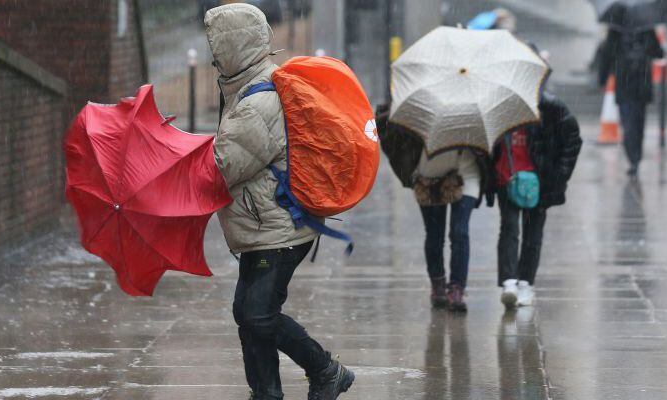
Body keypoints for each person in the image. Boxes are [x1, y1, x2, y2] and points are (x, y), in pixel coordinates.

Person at [205, 4, 353, 399]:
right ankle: (266, 392)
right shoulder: (248, 87)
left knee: (257, 314)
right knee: (249, 314)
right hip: (267, 224)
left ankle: (326, 371)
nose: (213, 55)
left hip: (278, 227)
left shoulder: (258, 103)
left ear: (235, 45)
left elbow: (223, 168)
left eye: (217, 45)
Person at [376, 106, 488, 312]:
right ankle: (438, 284)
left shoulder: (476, 102)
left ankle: (456, 288)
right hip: (429, 173)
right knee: (435, 235)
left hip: (467, 172)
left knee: (459, 231)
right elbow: (384, 122)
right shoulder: (421, 100)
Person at [488, 92, 582, 308]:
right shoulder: (497, 110)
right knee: (509, 228)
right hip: (507, 179)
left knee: (533, 234)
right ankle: (509, 282)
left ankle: (526, 283)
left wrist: (558, 176)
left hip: (537, 183)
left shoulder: (550, 107)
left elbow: (572, 140)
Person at [598, 4, 664, 177]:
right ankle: (636, 157)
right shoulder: (646, 28)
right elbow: (659, 53)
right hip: (641, 84)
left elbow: (606, 55)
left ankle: (633, 157)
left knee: (627, 122)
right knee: (639, 122)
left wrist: (602, 79)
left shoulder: (615, 29)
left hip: (624, 83)